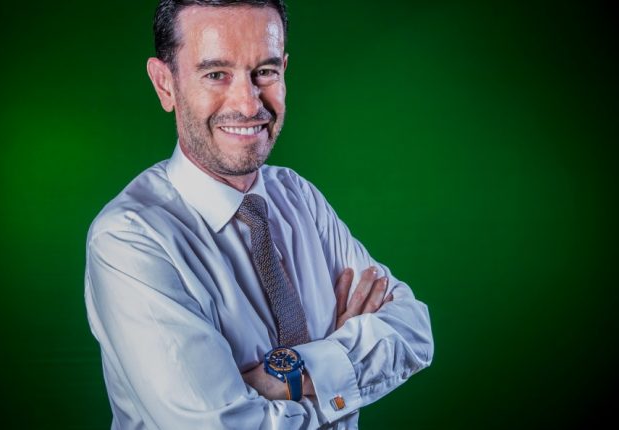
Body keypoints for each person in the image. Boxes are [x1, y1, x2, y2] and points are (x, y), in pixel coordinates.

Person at [84, 1, 434, 428]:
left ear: (284, 70)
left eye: (265, 72)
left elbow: (414, 329)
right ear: (165, 84)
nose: (249, 104)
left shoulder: (298, 196)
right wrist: (338, 369)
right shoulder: (130, 239)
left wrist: (281, 376)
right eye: (216, 74)